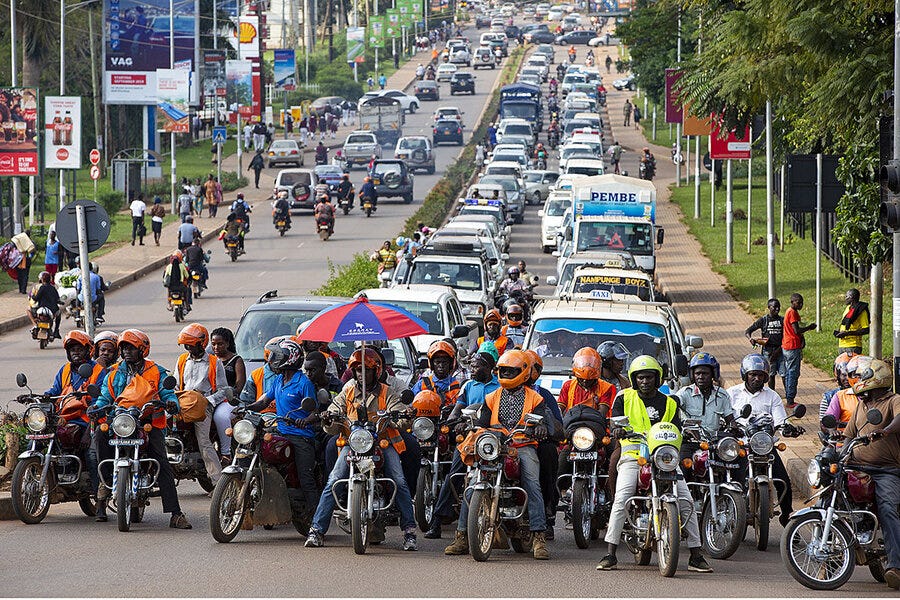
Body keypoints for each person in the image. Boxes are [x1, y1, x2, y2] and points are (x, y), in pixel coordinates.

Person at [597, 355, 712, 573]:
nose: (645, 381)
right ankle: (610, 553)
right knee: (623, 496)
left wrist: (686, 434)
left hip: (665, 458)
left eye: (649, 377)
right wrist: (618, 429)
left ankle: (696, 555)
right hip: (634, 454)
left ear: (657, 378)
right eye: (640, 377)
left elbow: (677, 429)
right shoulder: (623, 398)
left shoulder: (670, 402)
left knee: (686, 500)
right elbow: (615, 422)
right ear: (634, 378)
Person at [305, 347, 419, 551]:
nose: (361, 374)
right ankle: (316, 530)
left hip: (382, 443)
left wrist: (399, 417)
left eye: (365, 370)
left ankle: (409, 531)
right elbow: (334, 413)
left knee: (399, 480)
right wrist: (328, 418)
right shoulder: (347, 391)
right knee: (333, 479)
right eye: (357, 370)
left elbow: (400, 419)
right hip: (353, 442)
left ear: (376, 371)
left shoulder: (387, 391)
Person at [444, 350, 552, 560]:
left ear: (523, 372)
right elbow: (483, 423)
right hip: (494, 445)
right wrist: (467, 426)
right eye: (503, 371)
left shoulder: (536, 398)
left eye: (511, 371)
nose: (507, 375)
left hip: (523, 444)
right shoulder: (491, 396)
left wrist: (539, 427)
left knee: (532, 482)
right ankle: (462, 537)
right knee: (471, 482)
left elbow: (541, 420)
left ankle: (539, 536)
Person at [93, 330, 191, 529]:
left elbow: (168, 393)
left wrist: (171, 404)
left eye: (131, 348)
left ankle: (175, 513)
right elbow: (104, 397)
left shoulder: (157, 371)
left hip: (148, 423)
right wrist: (96, 407)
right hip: (119, 422)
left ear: (142, 350)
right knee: (99, 437)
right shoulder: (113, 372)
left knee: (161, 460)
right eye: (124, 348)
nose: (126, 352)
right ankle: (102, 496)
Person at [839, 356, 900, 590]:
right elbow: (848, 436)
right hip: (857, 466)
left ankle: (895, 566)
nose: (861, 382)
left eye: (865, 377)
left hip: (886, 470)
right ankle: (833, 558)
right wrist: (837, 456)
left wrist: (884, 431)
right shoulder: (862, 407)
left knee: (887, 507)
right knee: (832, 493)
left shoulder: (893, 400)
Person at [244, 338, 321, 521]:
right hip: (280, 431)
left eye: (277, 356)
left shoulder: (304, 383)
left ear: (289, 358)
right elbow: (263, 400)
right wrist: (245, 408)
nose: (272, 359)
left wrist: (304, 421)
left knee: (306, 477)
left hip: (301, 436)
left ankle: (317, 519)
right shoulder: (279, 379)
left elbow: (315, 412)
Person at [726, 354, 795, 527]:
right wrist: (730, 425)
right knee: (732, 478)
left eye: (761, 375)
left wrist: (786, 427)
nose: (757, 378)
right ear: (745, 374)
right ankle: (729, 514)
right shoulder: (732, 394)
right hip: (741, 444)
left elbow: (780, 420)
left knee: (784, 480)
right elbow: (724, 416)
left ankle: (787, 517)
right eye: (753, 374)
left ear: (766, 377)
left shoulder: (772, 396)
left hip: (764, 445)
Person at [44, 330, 107, 518]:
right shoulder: (64, 370)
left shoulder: (98, 371)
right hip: (65, 420)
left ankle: (100, 499)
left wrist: (90, 429)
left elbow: (102, 398)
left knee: (92, 455)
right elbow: (56, 389)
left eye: (79, 349)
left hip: (90, 420)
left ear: (88, 350)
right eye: (72, 349)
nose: (75, 353)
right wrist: (45, 396)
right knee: (43, 440)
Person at [174, 324, 226, 490]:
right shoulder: (182, 360)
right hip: (183, 402)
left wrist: (208, 401)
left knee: (204, 442)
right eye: (186, 345)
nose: (188, 348)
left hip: (203, 404)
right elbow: (175, 386)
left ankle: (218, 484)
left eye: (191, 345)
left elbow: (224, 390)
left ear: (201, 344)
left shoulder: (214, 362)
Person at [675, 352, 733, 435]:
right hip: (691, 441)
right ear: (692, 375)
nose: (701, 377)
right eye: (697, 374)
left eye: (705, 373)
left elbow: (730, 420)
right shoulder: (685, 393)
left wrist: (734, 427)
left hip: (715, 442)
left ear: (713, 374)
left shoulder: (722, 395)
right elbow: (673, 405)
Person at [557, 347, 615, 418]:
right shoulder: (568, 385)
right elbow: (560, 407)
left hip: (595, 423)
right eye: (582, 379)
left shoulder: (606, 388)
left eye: (589, 380)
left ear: (596, 377)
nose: (585, 382)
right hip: (571, 423)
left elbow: (602, 412)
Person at [782, 292, 816, 410]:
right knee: (793, 373)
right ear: (792, 302)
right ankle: (790, 399)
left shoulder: (791, 312)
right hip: (791, 346)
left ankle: (789, 397)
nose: (801, 304)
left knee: (789, 372)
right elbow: (796, 330)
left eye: (802, 302)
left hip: (788, 345)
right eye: (798, 302)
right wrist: (809, 328)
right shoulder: (792, 313)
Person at [745, 298, 785, 391]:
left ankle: (788, 396)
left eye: (778, 307)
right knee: (771, 374)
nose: (777, 309)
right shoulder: (764, 320)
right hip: (768, 351)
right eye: (774, 307)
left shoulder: (782, 320)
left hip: (780, 350)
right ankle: (772, 392)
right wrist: (751, 339)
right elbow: (748, 331)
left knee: (784, 374)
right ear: (768, 307)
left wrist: (779, 350)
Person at [412, 340, 461, 406]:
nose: (441, 366)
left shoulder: (458, 387)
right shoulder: (422, 385)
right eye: (437, 362)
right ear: (432, 364)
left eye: (444, 362)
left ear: (451, 364)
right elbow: (410, 404)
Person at [821, 353, 855, 428]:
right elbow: (823, 425)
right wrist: (833, 431)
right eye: (843, 375)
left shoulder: (864, 395)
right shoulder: (830, 397)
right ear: (838, 376)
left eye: (850, 375)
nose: (847, 379)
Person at [834, 288, 869, 355]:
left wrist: (847, 333)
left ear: (851, 297)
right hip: (842, 345)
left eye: (847, 296)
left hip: (853, 345)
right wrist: (839, 332)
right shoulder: (848, 308)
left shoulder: (861, 311)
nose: (845, 298)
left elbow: (866, 330)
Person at [28, 271, 61, 339]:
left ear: (42, 280)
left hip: (42, 308)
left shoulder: (42, 287)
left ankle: (34, 324)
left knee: (28, 310)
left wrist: (33, 297)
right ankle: (56, 330)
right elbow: (57, 299)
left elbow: (36, 298)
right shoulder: (53, 288)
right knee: (59, 313)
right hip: (52, 310)